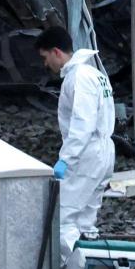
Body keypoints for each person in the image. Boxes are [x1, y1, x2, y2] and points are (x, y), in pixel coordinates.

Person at [35, 26, 116, 255]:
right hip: (104, 152)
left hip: (87, 154)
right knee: (86, 222)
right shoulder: (96, 74)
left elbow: (83, 124)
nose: (45, 64)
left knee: (62, 221)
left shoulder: (78, 78)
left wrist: (66, 160)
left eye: (45, 57)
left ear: (56, 52)